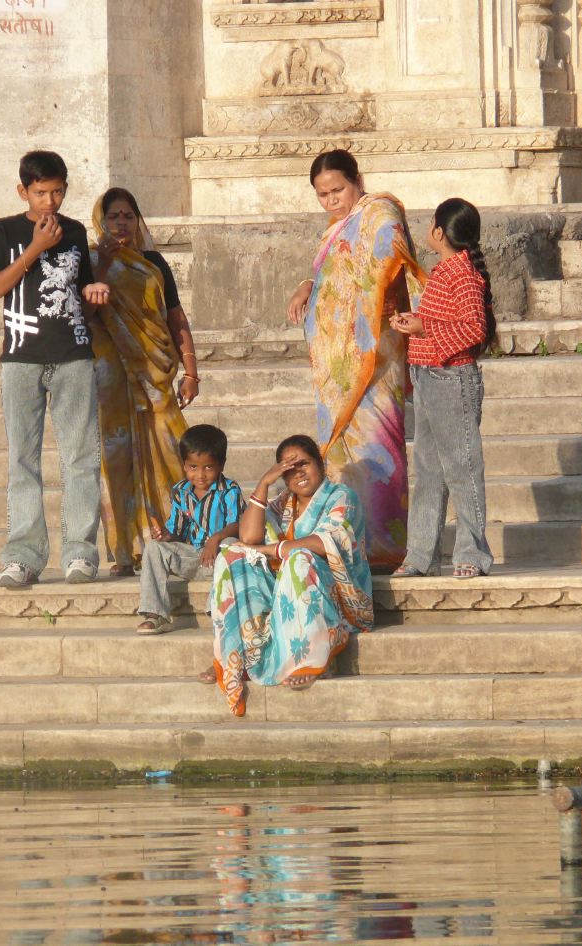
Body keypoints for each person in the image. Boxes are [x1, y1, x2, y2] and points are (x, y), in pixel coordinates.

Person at [286, 149, 425, 572]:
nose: (332, 200)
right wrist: (307, 285)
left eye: (338, 190)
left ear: (357, 180)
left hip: (377, 352)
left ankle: (386, 547)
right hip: (339, 364)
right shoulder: (335, 230)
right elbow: (332, 273)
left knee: (380, 445)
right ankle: (348, 542)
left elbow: (386, 256)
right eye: (323, 194)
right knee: (344, 457)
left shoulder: (380, 212)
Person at [0, 150, 110, 588]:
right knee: (23, 459)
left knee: (81, 458)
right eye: (40, 193)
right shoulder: (5, 230)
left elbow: (80, 294)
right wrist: (36, 248)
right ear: (23, 191)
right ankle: (23, 556)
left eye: (56, 192)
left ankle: (80, 553)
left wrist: (94, 294)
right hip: (21, 357)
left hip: (74, 354)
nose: (49, 201)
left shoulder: (74, 232)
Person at [204, 434, 373, 717]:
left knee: (299, 558)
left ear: (320, 464)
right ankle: (235, 655)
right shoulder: (284, 502)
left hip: (335, 592)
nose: (299, 473)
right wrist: (263, 484)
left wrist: (273, 550)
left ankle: (311, 656)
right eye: (289, 470)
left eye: (304, 464)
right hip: (283, 587)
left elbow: (325, 543)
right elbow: (249, 536)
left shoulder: (342, 497)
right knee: (231, 556)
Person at [89, 187, 201, 576]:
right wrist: (102, 267)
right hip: (110, 376)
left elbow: (175, 317)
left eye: (128, 216)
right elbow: (85, 312)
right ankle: (127, 551)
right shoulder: (89, 261)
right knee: (117, 460)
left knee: (172, 451)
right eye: (113, 216)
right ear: (100, 222)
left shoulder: (153, 263)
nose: (122, 223)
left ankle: (181, 537)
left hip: (155, 375)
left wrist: (191, 371)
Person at [390, 198, 496, 579]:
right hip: (427, 376)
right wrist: (416, 322)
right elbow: (447, 321)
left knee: (462, 468)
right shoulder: (444, 270)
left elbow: (474, 328)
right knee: (429, 472)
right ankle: (421, 556)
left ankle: (472, 553)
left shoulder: (462, 273)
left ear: (439, 231)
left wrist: (424, 328)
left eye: (431, 223)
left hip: (452, 379)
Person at [135, 424, 243, 635]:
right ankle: (155, 614)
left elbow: (239, 524)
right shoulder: (180, 491)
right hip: (193, 558)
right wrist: (166, 535)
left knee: (231, 544)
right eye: (193, 467)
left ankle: (217, 611)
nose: (200, 475)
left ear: (221, 464)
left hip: (220, 561)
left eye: (208, 467)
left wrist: (216, 539)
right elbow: (177, 531)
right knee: (154, 547)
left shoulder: (230, 489)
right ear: (184, 465)